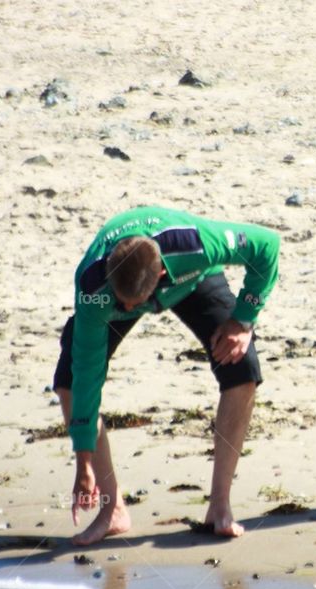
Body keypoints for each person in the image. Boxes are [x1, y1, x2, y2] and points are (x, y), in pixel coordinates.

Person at [53, 206, 280, 543]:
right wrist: (82, 459)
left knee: (242, 368)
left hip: (192, 281)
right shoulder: (93, 289)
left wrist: (244, 319)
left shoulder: (196, 243)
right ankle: (112, 508)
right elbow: (88, 375)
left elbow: (267, 244)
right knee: (69, 383)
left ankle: (220, 505)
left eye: (134, 303)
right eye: (123, 302)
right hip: (111, 296)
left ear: (159, 277)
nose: (129, 311)